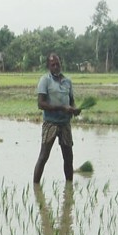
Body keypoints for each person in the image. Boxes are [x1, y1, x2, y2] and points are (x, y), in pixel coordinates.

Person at [33, 53, 82, 184]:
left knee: (68, 157)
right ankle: (35, 186)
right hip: (51, 123)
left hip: (65, 123)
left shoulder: (67, 81)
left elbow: (71, 101)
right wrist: (61, 108)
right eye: (53, 64)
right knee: (44, 156)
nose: (56, 66)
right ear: (48, 66)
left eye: (57, 64)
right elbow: (41, 104)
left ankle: (69, 187)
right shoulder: (45, 80)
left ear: (61, 64)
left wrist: (75, 109)